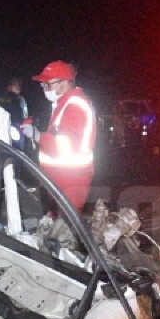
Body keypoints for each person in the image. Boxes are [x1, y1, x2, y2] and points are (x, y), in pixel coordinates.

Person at [32, 60, 96, 211]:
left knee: (66, 230)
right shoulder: (63, 104)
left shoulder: (74, 105)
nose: (44, 88)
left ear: (65, 83)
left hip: (71, 181)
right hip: (60, 180)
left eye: (48, 84)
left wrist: (38, 136)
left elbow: (64, 148)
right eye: (43, 85)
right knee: (56, 229)